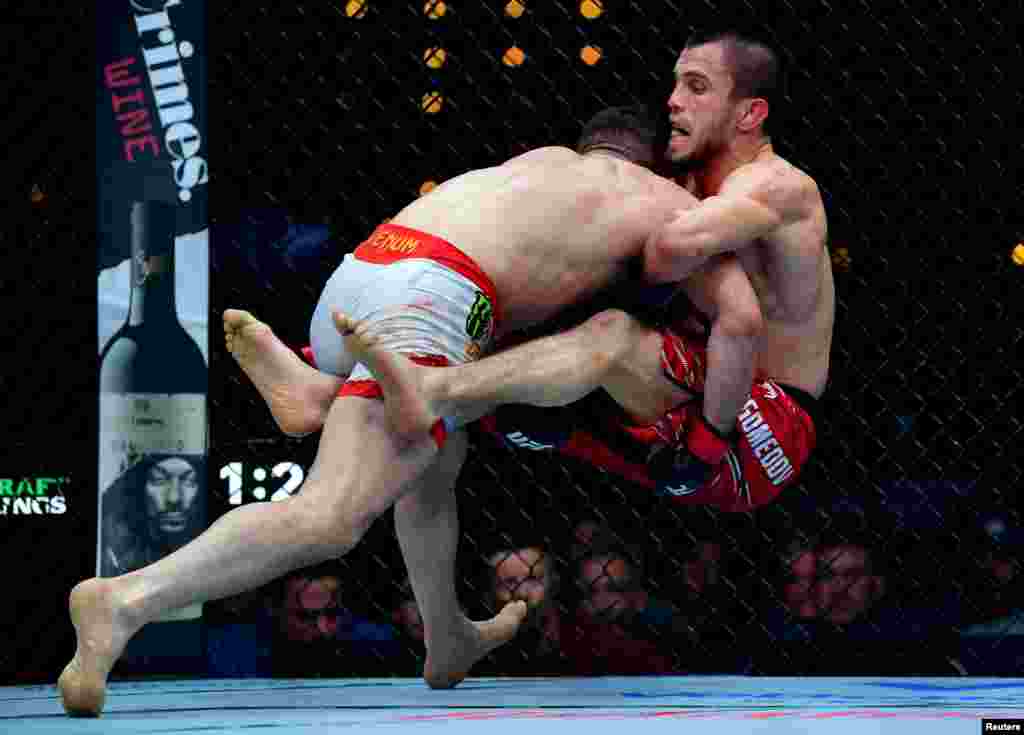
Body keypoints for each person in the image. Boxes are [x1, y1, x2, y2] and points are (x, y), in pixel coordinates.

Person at [59, 106, 757, 715]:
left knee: (435, 452)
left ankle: (444, 630)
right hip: (433, 298)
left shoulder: (536, 168)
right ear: (659, 165)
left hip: (363, 272)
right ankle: (127, 599)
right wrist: (713, 432)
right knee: (330, 515)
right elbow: (736, 316)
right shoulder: (664, 201)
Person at [336, 29, 832, 512]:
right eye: (676, 83)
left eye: (697, 87)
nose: (674, 101)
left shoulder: (776, 184)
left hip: (761, 425)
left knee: (611, 329)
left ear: (751, 113)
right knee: (510, 325)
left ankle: (434, 389)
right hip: (687, 397)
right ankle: (331, 389)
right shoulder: (691, 184)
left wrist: (708, 439)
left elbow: (673, 246)